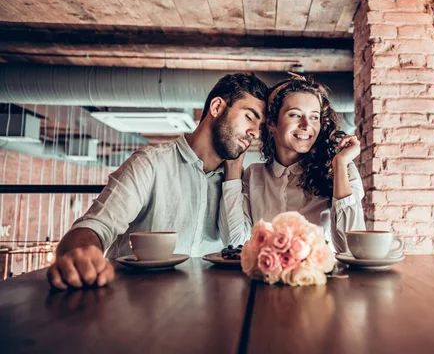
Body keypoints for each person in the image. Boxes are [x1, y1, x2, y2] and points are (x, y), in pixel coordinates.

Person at [47, 73, 269, 290]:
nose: (254, 133)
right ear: (217, 107)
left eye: (260, 127)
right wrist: (79, 253)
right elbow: (97, 226)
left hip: (204, 317)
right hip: (130, 311)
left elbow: (241, 246)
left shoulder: (238, 186)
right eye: (250, 117)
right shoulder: (150, 164)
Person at [219, 75, 365, 253]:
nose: (306, 125)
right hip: (266, 278)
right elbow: (235, 243)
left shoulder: (339, 169)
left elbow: (351, 249)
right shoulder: (253, 176)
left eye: (314, 117)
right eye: (295, 114)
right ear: (272, 123)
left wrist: (341, 164)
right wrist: (233, 165)